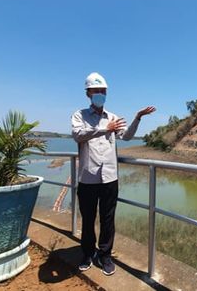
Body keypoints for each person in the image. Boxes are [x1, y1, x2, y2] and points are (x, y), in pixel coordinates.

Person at [71, 72, 155, 275]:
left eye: (103, 91)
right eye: (96, 91)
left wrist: (137, 118)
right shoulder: (79, 116)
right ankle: (87, 253)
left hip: (109, 177)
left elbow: (126, 136)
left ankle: (105, 255)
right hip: (87, 178)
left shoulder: (113, 117)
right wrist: (103, 129)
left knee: (108, 219)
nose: (100, 94)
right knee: (89, 218)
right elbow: (77, 135)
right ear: (88, 93)